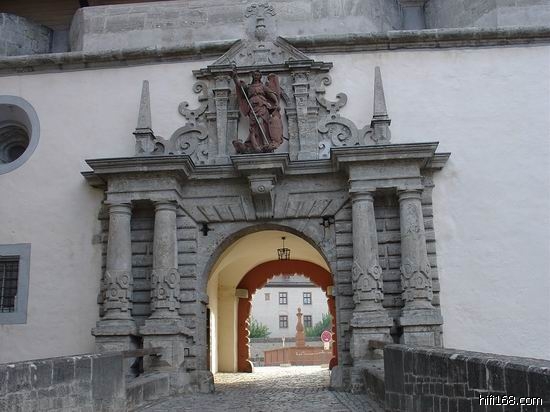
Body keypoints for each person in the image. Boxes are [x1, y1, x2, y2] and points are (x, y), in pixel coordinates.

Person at [232, 70, 283, 153]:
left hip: (262, 106)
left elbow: (271, 94)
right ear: (253, 76)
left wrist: (276, 102)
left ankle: (265, 142)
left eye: (258, 75)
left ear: (260, 77)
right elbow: (240, 86)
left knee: (261, 122)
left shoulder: (262, 86)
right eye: (255, 75)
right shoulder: (249, 87)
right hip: (252, 108)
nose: (256, 76)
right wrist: (235, 77)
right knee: (254, 125)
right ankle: (255, 143)